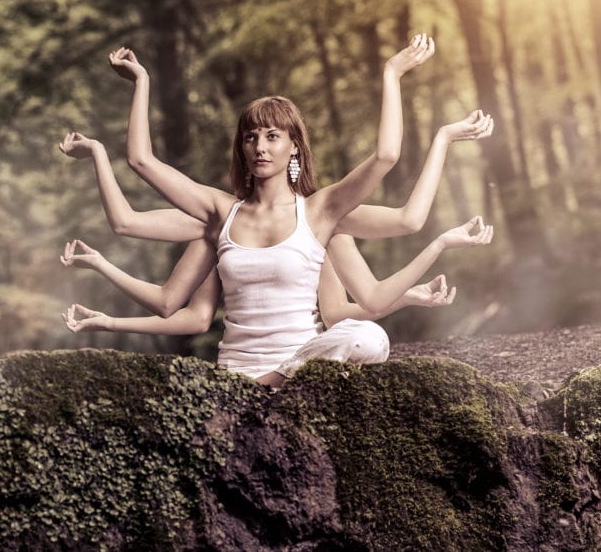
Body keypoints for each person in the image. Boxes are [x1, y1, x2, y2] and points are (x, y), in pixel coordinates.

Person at [62, 36, 494, 385]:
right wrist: (142, 84)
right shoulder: (220, 214)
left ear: (293, 148)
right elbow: (142, 162)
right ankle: (257, 385)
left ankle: (273, 381)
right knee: (361, 337)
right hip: (235, 371)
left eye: (272, 136)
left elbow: (386, 159)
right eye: (251, 137)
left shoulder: (321, 213)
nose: (260, 146)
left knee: (369, 338)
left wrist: (392, 75)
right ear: (242, 148)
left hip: (298, 369)